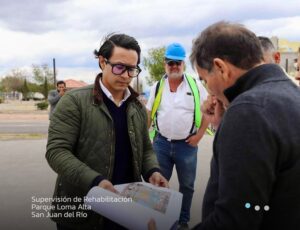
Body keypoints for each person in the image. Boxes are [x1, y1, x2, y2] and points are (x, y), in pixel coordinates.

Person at [46, 33, 168, 230]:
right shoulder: (74, 101)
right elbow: (57, 152)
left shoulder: (136, 106)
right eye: (119, 67)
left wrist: (153, 171)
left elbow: (145, 149)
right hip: (82, 210)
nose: (126, 76)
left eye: (132, 70)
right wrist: (96, 181)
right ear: (102, 62)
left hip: (127, 210)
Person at [188, 21, 300, 229]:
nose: (209, 91)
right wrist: (225, 127)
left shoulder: (248, 111)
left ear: (220, 68)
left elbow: (236, 218)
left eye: (204, 79)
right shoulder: (291, 94)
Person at [146, 43, 209, 230]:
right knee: (158, 185)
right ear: (165, 63)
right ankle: (158, 219)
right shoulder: (157, 86)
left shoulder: (195, 85)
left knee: (187, 186)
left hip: (187, 146)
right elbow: (149, 113)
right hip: (161, 144)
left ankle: (182, 221)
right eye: (171, 63)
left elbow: (206, 112)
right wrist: (144, 140)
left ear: (183, 65)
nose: (174, 66)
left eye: (178, 63)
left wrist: (198, 136)